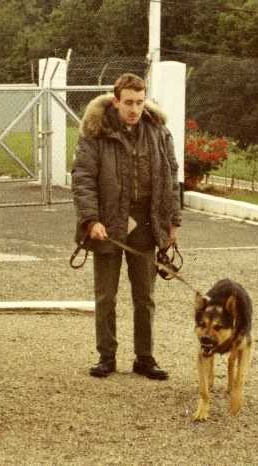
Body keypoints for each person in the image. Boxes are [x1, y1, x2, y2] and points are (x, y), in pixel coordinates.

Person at [71, 73, 181, 380]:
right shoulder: (96, 133)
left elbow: (171, 177)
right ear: (116, 101)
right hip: (108, 222)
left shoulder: (158, 132)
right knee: (106, 295)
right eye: (128, 102)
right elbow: (82, 179)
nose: (134, 108)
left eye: (139, 101)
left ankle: (144, 358)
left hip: (147, 224)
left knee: (144, 296)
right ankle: (106, 356)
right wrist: (91, 220)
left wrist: (173, 222)